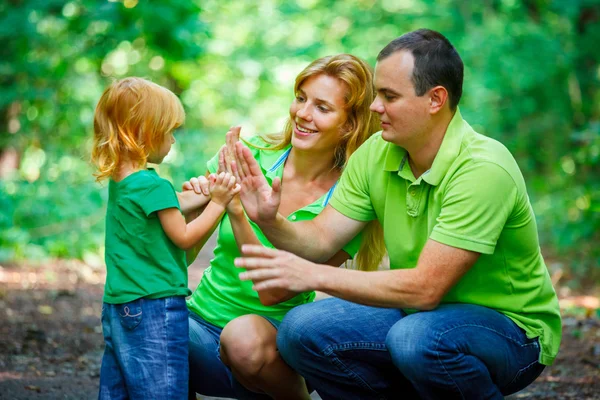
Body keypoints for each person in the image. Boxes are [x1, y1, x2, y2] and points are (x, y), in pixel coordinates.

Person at [232, 29, 562, 399]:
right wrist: (268, 220)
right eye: (377, 94)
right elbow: (320, 240)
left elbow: (425, 289)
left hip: (510, 330)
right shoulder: (377, 152)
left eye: (389, 96)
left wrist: (310, 275)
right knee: (302, 329)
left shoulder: (483, 168)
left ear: (436, 99)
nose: (374, 107)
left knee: (417, 339)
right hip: (419, 317)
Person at [182, 54, 386, 399]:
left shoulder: (349, 204)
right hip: (199, 326)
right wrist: (185, 208)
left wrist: (236, 211)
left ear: (350, 125)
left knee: (242, 338)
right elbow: (179, 255)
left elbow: (273, 292)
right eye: (301, 98)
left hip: (268, 348)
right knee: (144, 320)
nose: (303, 114)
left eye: (322, 108)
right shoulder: (251, 154)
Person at [91, 77, 240, 400]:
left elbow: (172, 203)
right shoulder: (152, 185)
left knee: (119, 390)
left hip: (120, 305)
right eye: (169, 130)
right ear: (145, 132)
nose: (173, 139)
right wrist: (219, 203)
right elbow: (184, 237)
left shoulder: (126, 181)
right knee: (163, 389)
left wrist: (205, 195)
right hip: (155, 306)